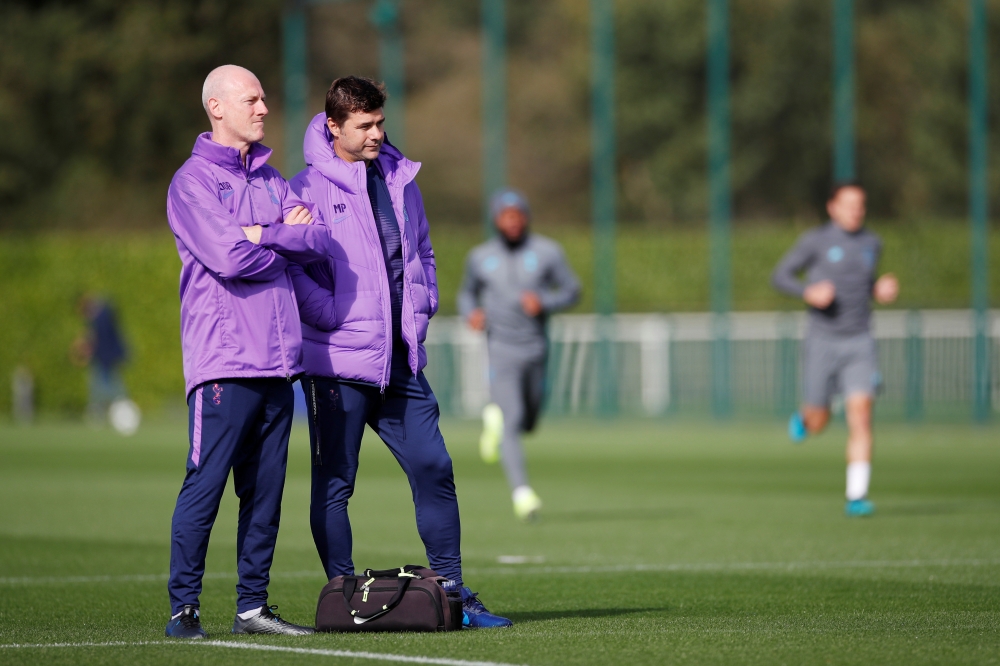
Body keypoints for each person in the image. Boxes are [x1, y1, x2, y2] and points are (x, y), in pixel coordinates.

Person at [287, 76, 511, 628]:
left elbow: (424, 251)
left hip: (400, 361)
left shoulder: (401, 177)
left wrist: (425, 301)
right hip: (337, 366)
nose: (376, 134)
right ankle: (343, 598)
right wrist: (330, 316)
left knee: (435, 466)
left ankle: (453, 596)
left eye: (380, 122)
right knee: (336, 485)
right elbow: (290, 267)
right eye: (364, 125)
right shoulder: (305, 188)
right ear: (334, 126)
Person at [164, 64, 329, 639]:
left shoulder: (271, 179)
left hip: (280, 365)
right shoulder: (191, 182)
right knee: (204, 488)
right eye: (251, 99)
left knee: (265, 498)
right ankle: (184, 610)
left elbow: (315, 241)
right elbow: (230, 259)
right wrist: (275, 237)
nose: (263, 108)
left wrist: (260, 233)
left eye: (263, 98)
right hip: (224, 365)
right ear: (217, 108)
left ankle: (252, 607)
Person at [771, 181, 899, 517]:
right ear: (832, 207)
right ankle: (805, 417)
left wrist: (879, 288)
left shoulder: (873, 242)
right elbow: (780, 276)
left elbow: (862, 285)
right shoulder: (815, 241)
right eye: (849, 204)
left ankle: (856, 496)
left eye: (860, 204)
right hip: (822, 341)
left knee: (861, 415)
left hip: (860, 341)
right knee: (820, 419)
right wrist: (807, 291)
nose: (856, 210)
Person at [457, 190, 580, 520]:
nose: (512, 222)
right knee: (513, 421)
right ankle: (522, 493)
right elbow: (466, 293)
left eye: (517, 215)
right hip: (500, 350)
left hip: (536, 348)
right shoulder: (480, 257)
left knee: (528, 421)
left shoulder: (548, 252)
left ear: (525, 218)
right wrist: (472, 313)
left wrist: (546, 302)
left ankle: (495, 418)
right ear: (496, 220)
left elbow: (572, 289)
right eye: (505, 216)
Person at [71, 293, 128, 423]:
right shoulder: (103, 315)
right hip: (106, 357)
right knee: (106, 386)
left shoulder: (101, 317)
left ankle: (101, 413)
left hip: (106, 358)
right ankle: (104, 412)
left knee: (107, 387)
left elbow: (102, 341)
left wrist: (88, 348)